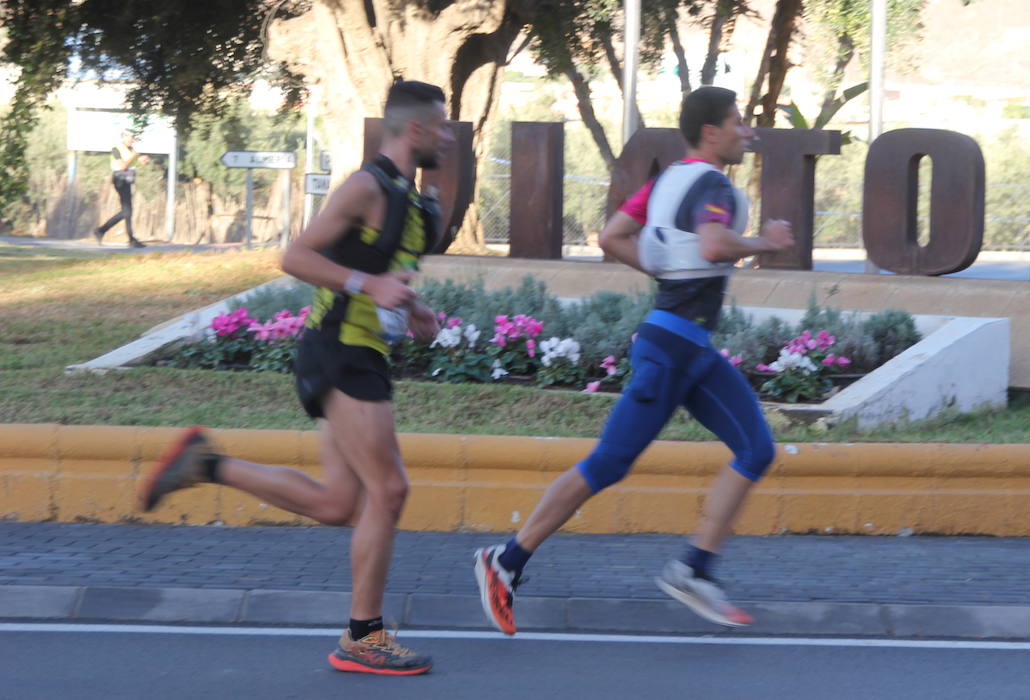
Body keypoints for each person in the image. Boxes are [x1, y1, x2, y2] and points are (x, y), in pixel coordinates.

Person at [139, 79, 453, 676]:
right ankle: (364, 636)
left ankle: (207, 464)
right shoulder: (367, 186)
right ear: (415, 130)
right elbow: (296, 257)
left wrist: (412, 308)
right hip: (340, 351)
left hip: (358, 352)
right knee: (389, 492)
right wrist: (368, 287)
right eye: (441, 126)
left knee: (340, 503)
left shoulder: (410, 202)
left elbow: (380, 276)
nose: (448, 137)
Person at [473, 86, 795, 635]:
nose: (747, 132)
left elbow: (613, 236)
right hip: (672, 348)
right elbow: (716, 246)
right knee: (608, 464)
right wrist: (766, 242)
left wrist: (669, 267)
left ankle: (694, 568)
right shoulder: (714, 184)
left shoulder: (668, 182)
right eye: (738, 123)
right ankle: (505, 560)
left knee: (757, 448)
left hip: (687, 347)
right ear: (711, 132)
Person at [95, 129, 148, 248]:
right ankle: (130, 239)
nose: (133, 140)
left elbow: (135, 161)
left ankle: (102, 231)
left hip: (127, 180)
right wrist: (134, 156)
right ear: (124, 137)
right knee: (127, 211)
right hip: (120, 179)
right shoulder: (116, 149)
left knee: (127, 211)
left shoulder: (130, 149)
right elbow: (123, 166)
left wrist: (142, 159)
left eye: (134, 138)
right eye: (131, 137)